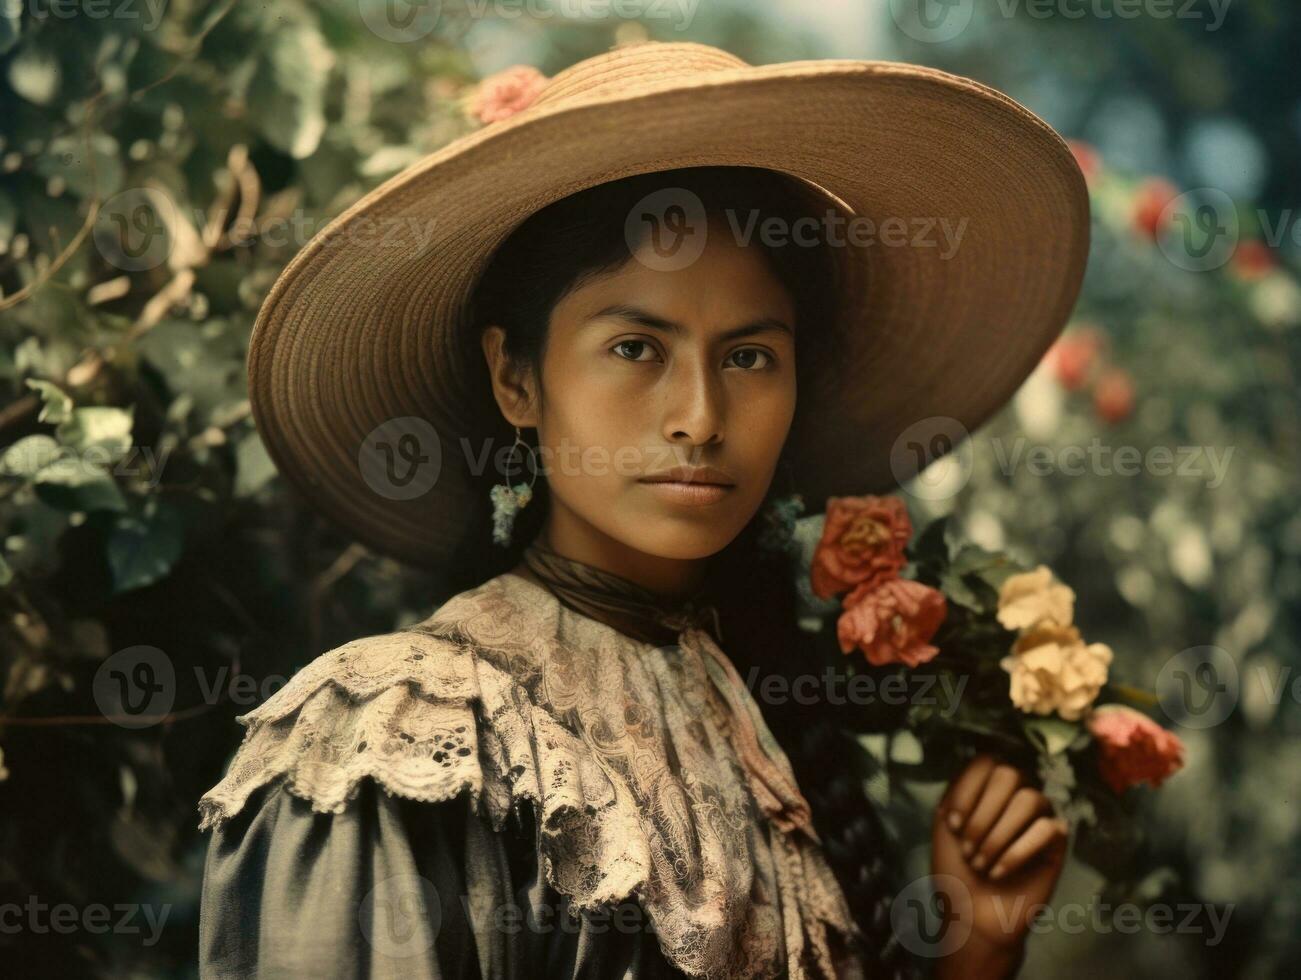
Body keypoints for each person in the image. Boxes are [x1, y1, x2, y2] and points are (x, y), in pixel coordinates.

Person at [197, 41, 1089, 979]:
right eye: (635, 347)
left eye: (748, 357)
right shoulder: (399, 737)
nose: (700, 419)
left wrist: (979, 947)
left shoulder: (776, 722)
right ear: (515, 376)